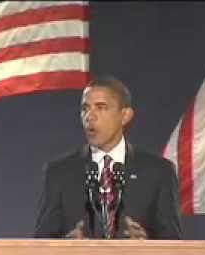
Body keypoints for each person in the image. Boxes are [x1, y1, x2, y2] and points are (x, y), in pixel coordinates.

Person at [34, 75, 182, 239]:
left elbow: (173, 244)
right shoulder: (59, 173)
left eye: (101, 107)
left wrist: (146, 246)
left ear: (125, 116)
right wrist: (66, 246)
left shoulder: (159, 172)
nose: (89, 116)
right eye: (85, 108)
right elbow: (41, 244)